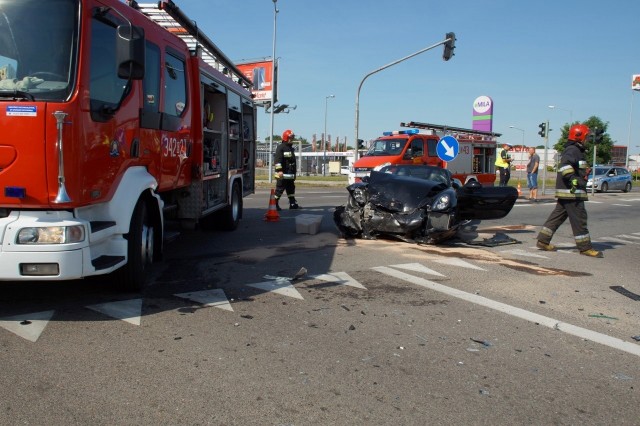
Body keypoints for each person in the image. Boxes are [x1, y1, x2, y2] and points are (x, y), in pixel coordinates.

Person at [536, 124, 603, 258]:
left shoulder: (576, 150)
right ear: (579, 137)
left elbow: (574, 166)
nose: (587, 140)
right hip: (572, 191)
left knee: (558, 216)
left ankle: (543, 240)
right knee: (580, 219)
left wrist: (584, 171)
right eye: (586, 137)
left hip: (567, 191)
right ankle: (585, 248)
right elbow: (565, 166)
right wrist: (574, 179)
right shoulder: (573, 150)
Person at [273, 129, 299, 210]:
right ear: (286, 138)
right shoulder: (281, 148)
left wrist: (294, 174)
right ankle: (274, 204)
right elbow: (278, 160)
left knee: (291, 190)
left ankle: (292, 204)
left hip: (290, 175)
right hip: (282, 174)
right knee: (279, 190)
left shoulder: (290, 148)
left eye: (293, 138)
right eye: (290, 138)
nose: (292, 139)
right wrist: (279, 171)